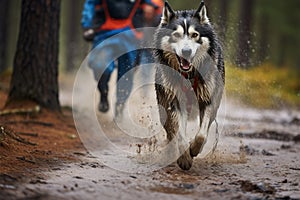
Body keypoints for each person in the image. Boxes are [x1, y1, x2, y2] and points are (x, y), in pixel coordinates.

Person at [81, 0, 157, 115]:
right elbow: (90, 4)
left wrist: (150, 8)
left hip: (131, 37)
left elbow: (155, 7)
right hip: (104, 35)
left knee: (126, 75)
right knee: (100, 66)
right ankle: (103, 92)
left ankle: (120, 107)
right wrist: (87, 25)